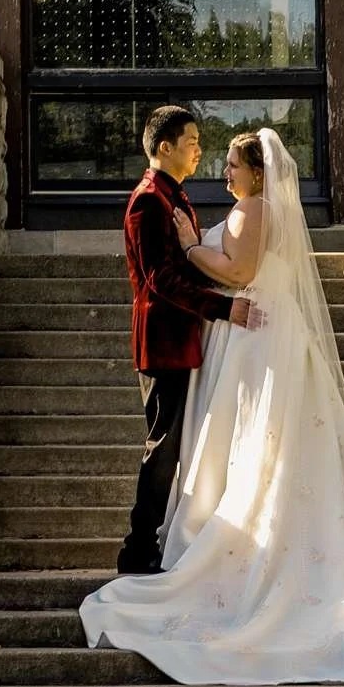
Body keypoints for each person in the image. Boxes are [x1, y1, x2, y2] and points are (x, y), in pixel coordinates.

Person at [82, 122, 344, 684]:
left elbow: (241, 272)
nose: (218, 167)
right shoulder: (164, 201)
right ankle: (150, 546)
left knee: (234, 444)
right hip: (230, 336)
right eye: (202, 149)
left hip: (254, 336)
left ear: (258, 172)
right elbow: (175, 274)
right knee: (201, 444)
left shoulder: (252, 210)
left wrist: (191, 247)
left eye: (231, 163)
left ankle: (163, 550)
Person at [113, 103, 254, 577]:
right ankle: (137, 551)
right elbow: (159, 279)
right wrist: (222, 307)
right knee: (163, 446)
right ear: (165, 147)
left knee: (173, 445)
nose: (199, 150)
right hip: (162, 341)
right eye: (192, 141)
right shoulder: (149, 199)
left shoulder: (172, 194)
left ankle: (154, 542)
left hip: (181, 338)